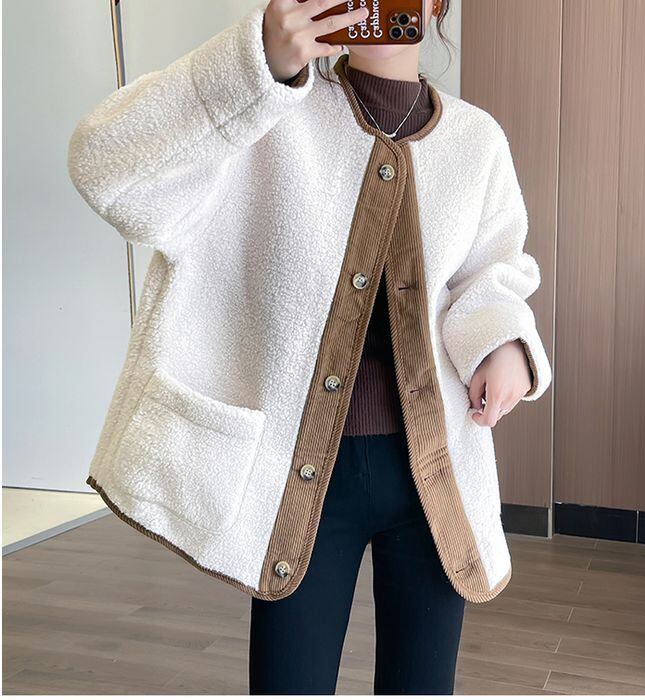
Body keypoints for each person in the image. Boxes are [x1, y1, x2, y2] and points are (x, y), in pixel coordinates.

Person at [67, 0, 552, 694]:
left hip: (437, 471)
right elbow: (105, 167)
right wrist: (255, 63)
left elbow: (491, 271)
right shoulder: (267, 110)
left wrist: (503, 342)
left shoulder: (477, 141)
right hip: (298, 479)